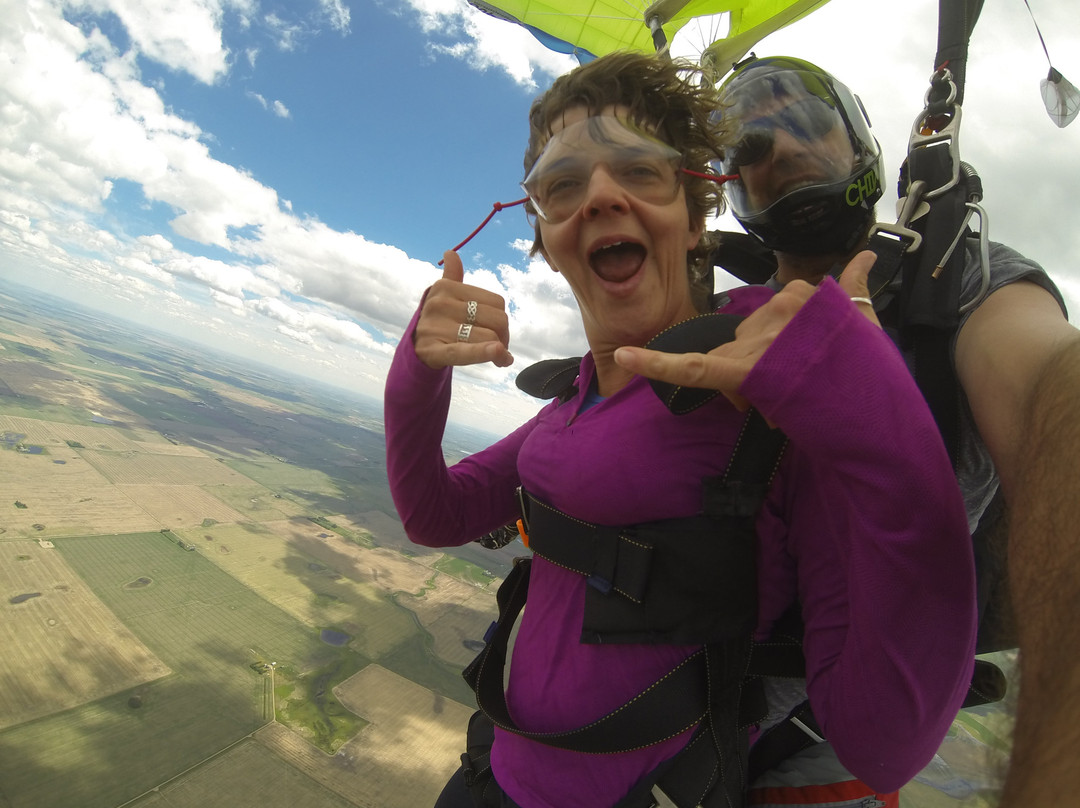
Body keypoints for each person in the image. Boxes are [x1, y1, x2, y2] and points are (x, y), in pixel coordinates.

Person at [385, 51, 977, 808]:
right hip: (487, 779)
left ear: (696, 215)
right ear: (546, 232)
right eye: (565, 183)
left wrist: (871, 403)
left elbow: (883, 740)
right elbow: (433, 513)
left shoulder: (765, 375)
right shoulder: (569, 403)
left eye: (640, 170)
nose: (600, 194)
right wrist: (417, 370)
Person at [617, 55, 1079, 806]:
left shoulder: (959, 286)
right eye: (751, 149)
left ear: (861, 140)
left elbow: (1047, 386)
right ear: (735, 189)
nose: (784, 148)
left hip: (828, 745)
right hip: (677, 710)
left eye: (807, 122)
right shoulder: (721, 325)